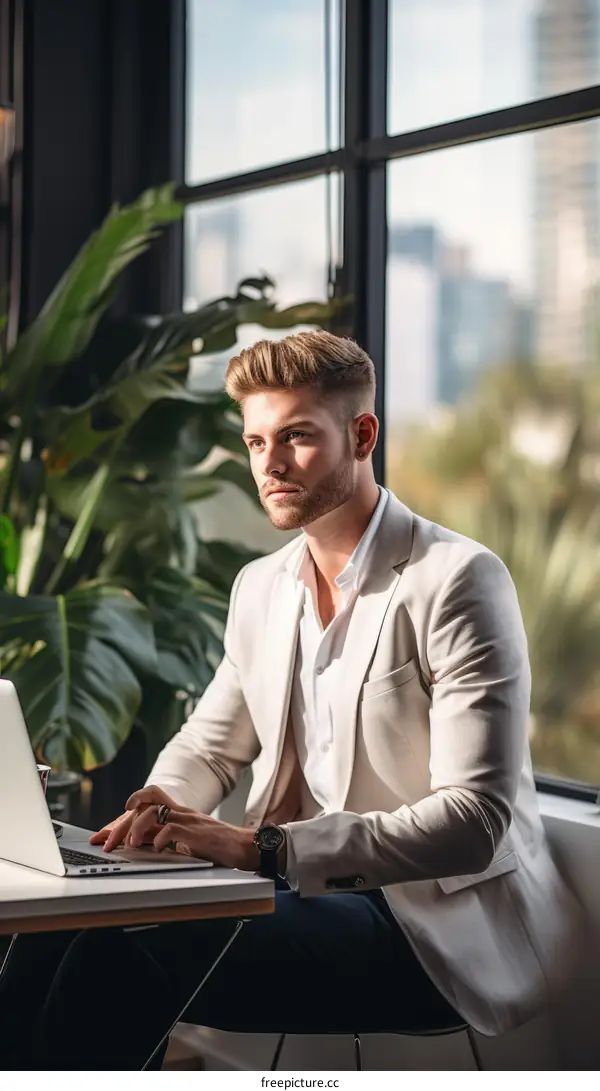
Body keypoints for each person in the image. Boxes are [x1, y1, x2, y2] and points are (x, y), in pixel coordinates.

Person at [0, 331, 584, 1071]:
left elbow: (474, 821)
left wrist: (262, 848)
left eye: (297, 437)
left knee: (120, 954)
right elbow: (211, 743)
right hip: (293, 897)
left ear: (362, 433)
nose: (269, 465)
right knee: (49, 930)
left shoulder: (458, 579)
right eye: (254, 441)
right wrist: (158, 807)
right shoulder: (262, 585)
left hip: (424, 925)